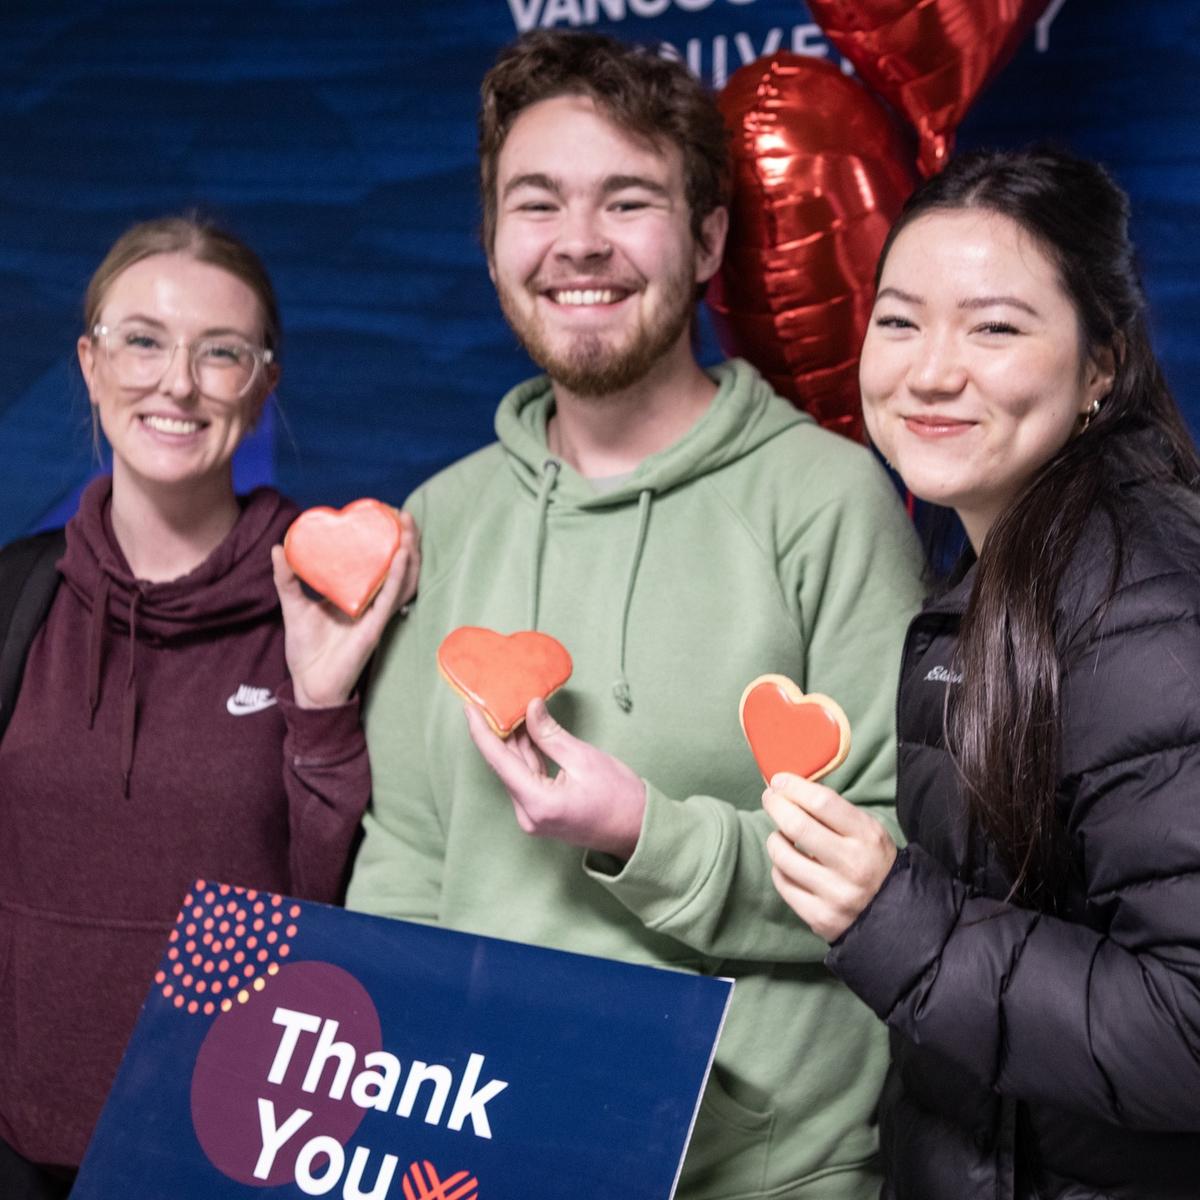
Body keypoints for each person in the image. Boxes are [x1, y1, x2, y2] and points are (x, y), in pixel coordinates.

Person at [348, 30, 925, 1198]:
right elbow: (407, 860)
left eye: (629, 200)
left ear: (708, 238)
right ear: (493, 242)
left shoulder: (826, 501)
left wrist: (640, 835)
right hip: (487, 1161)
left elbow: (895, 875)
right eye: (537, 202)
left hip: (759, 1174)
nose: (579, 243)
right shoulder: (440, 518)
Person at [764, 146, 1200, 1199]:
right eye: (901, 321)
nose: (930, 370)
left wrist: (892, 917)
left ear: (1102, 365)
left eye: (996, 327)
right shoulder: (1015, 557)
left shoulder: (1146, 609)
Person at [0, 215, 418, 1196]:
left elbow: (354, 915)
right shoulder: (17, 600)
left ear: (264, 381)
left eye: (219, 352)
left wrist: (319, 705)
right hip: (21, 1148)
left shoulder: (332, 610)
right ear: (90, 365)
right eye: (142, 340)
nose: (177, 383)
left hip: (236, 1151)